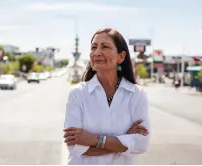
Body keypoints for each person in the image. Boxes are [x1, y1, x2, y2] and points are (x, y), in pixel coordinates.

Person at [63, 28, 150, 165]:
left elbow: (141, 144)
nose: (97, 52)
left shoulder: (137, 95)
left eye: (105, 47)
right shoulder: (77, 94)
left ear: (121, 57)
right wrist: (124, 140)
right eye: (94, 47)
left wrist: (94, 140)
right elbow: (75, 147)